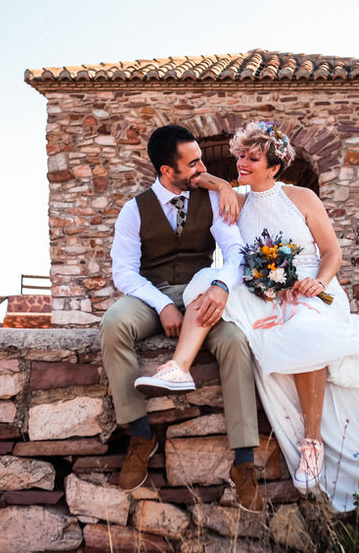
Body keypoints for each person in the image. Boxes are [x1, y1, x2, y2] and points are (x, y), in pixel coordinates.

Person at [135, 121, 359, 512]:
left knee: (306, 329)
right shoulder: (234, 198)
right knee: (208, 285)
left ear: (273, 167)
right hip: (264, 290)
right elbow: (200, 177)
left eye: (252, 158)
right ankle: (178, 368)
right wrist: (222, 186)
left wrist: (319, 283)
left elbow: (332, 253)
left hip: (309, 288)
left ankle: (312, 442)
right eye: (240, 156)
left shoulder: (301, 197)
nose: (241, 163)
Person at [100, 124, 264, 512]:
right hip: (151, 295)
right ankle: (140, 436)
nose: (201, 168)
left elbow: (236, 251)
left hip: (202, 294)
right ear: (165, 171)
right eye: (193, 164)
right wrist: (161, 304)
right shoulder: (133, 210)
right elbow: (123, 272)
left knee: (236, 342)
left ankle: (244, 462)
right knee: (112, 325)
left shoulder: (211, 200)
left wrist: (222, 286)